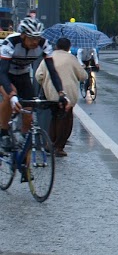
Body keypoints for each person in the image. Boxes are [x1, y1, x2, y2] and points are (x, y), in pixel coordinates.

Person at [0, 18, 67, 152]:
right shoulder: (11, 43)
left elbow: (52, 71)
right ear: (23, 36)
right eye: (31, 38)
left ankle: (24, 145)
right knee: (9, 97)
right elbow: (2, 73)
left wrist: (61, 92)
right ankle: (4, 133)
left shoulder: (44, 44)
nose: (35, 42)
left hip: (23, 75)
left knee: (28, 111)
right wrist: (13, 95)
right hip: (4, 74)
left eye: (37, 38)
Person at [35, 37, 86, 157]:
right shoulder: (72, 58)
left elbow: (38, 75)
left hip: (51, 94)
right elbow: (83, 76)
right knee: (66, 120)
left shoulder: (49, 56)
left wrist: (45, 83)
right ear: (69, 47)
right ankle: (59, 147)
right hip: (67, 95)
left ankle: (50, 144)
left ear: (56, 46)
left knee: (54, 117)